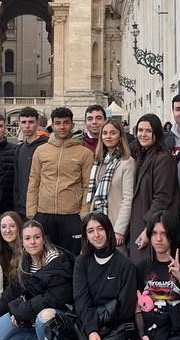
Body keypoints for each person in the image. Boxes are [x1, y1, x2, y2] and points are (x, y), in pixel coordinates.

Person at [0, 219, 74, 340]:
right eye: (27, 238)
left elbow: (51, 298)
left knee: (42, 318)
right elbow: (15, 288)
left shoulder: (57, 261)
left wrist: (21, 313)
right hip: (30, 308)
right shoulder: (25, 259)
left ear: (43, 239)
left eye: (37, 237)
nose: (32, 242)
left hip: (56, 310)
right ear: (22, 242)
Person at [73, 211, 137, 340]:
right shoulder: (81, 262)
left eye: (100, 229)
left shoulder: (124, 265)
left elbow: (125, 307)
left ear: (109, 230)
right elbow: (81, 300)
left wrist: (102, 328)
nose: (96, 235)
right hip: (90, 323)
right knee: (58, 327)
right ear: (86, 236)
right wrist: (92, 330)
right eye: (90, 231)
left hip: (116, 325)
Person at [26, 107, 95, 256]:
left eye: (66, 123)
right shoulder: (41, 151)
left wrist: (84, 213)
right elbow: (34, 181)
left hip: (71, 215)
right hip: (44, 213)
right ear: (52, 125)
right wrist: (32, 212)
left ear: (72, 124)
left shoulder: (85, 153)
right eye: (58, 123)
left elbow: (87, 186)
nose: (62, 127)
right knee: (45, 256)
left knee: (72, 257)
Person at [128, 114, 180, 263]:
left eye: (148, 131)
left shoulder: (163, 158)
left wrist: (148, 230)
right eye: (140, 130)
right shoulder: (140, 156)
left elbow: (162, 198)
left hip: (152, 226)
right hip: (139, 222)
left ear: (156, 133)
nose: (143, 134)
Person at [85, 118, 135, 248]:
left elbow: (128, 199)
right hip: (98, 223)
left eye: (113, 133)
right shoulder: (100, 161)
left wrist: (119, 230)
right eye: (105, 133)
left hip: (115, 223)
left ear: (120, 136)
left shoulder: (127, 162)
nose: (108, 136)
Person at [12, 106, 45, 218]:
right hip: (21, 208)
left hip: (42, 207)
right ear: (19, 124)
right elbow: (17, 179)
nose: (27, 126)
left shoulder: (46, 147)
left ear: (37, 123)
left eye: (31, 122)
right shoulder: (19, 149)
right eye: (24, 122)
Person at [0, 210, 23, 287]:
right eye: (4, 227)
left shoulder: (26, 252)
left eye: (12, 226)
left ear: (19, 227)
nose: (8, 230)